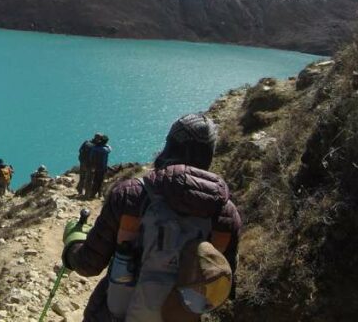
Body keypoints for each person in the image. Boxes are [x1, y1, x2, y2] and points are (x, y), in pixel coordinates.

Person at [61, 113, 242, 321]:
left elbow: (88, 264)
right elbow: (224, 285)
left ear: (170, 146)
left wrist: (72, 244)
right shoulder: (227, 216)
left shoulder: (132, 195)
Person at [87, 134, 112, 198]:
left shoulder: (95, 148)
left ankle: (93, 194)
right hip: (102, 167)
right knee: (100, 181)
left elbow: (90, 157)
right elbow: (110, 149)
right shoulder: (105, 149)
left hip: (95, 167)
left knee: (96, 180)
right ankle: (98, 194)